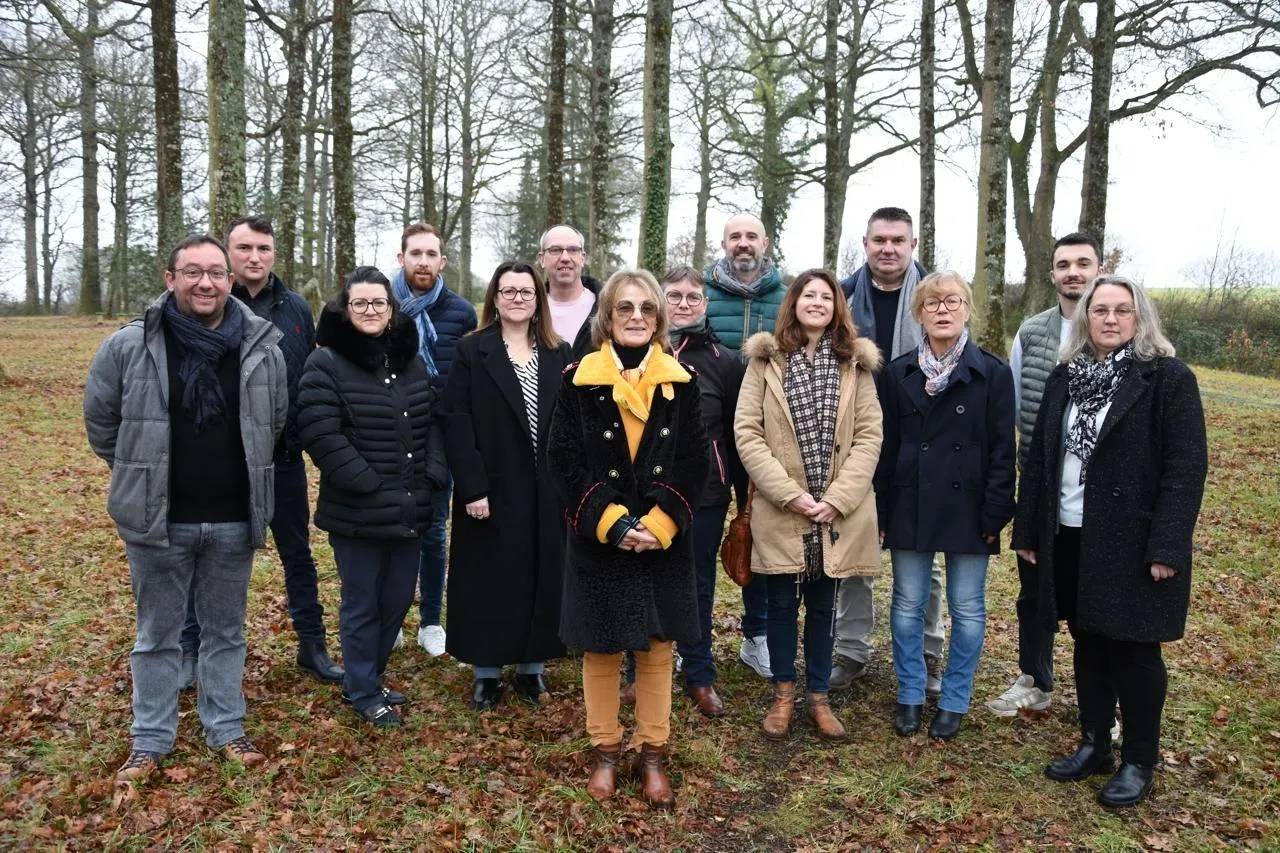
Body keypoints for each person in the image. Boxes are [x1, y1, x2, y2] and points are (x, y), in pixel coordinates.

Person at [84, 234, 287, 782]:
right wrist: (139, 471)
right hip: (157, 521)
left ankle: (227, 728)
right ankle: (150, 739)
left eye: (216, 273)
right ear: (170, 278)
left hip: (234, 518)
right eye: (192, 272)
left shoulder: (261, 347)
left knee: (226, 632)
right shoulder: (129, 345)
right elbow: (102, 422)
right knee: (157, 636)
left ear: (230, 281)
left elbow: (273, 422)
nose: (205, 283)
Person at [1012, 275, 1207, 808]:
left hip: (1133, 540)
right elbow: (1040, 457)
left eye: (1123, 310)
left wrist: (1167, 545)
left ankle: (1139, 759)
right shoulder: (1066, 376)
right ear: (1086, 317)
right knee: (1088, 640)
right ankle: (1095, 742)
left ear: (1140, 318)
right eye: (1101, 310)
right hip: (1070, 532)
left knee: (1135, 651)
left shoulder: (1166, 379)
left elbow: (1186, 469)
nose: (1111, 319)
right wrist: (1028, 529)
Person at [548, 269, 708, 809]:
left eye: (646, 308)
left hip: (662, 539)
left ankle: (652, 752)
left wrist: (660, 524)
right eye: (625, 308)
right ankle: (606, 751)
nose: (636, 317)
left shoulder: (683, 381)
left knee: (658, 648)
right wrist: (612, 523)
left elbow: (694, 461)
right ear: (607, 317)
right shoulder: (578, 380)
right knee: (601, 648)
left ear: (659, 319)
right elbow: (564, 461)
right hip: (600, 538)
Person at [179, 216, 341, 690]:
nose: (255, 257)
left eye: (263, 248)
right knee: (205, 556)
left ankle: (312, 644)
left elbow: (309, 377)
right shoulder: (209, 305)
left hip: (282, 458)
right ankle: (190, 647)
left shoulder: (295, 308)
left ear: (274, 254)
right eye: (245, 248)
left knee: (298, 555)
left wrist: (304, 437)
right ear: (228, 253)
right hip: (222, 462)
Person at [735, 269, 883, 743]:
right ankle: (783, 693)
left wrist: (837, 499)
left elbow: (869, 436)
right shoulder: (766, 361)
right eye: (808, 295)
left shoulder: (854, 364)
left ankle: (818, 697)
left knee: (823, 606)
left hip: (836, 512)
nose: (817, 302)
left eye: (826, 296)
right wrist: (789, 493)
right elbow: (747, 432)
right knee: (780, 604)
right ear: (794, 303)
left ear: (837, 306)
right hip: (784, 507)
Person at [297, 266, 446, 726]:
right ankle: (362, 689)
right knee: (363, 603)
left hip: (409, 504)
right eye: (360, 302)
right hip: (357, 509)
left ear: (391, 308)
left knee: (397, 599)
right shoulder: (326, 362)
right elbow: (319, 432)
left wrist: (433, 474)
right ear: (345, 309)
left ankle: (366, 676)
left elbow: (432, 421)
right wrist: (365, 482)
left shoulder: (409, 360)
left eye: (378, 302)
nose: (370, 310)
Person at [876, 271, 1016, 741]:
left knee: (968, 608)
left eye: (952, 301)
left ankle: (955, 699)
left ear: (967, 309)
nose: (942, 310)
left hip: (970, 506)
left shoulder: (992, 373)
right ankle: (911, 694)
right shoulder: (898, 373)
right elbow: (885, 447)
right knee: (907, 604)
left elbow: (1003, 450)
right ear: (919, 314)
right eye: (932, 303)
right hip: (909, 501)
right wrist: (882, 508)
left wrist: (996, 511)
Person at [440, 262, 572, 711]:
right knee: (491, 578)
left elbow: (571, 421)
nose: (517, 298)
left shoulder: (558, 351)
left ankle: (532, 668)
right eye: (508, 291)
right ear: (494, 298)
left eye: (526, 291)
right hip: (491, 486)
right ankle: (487, 671)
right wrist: (472, 487)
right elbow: (456, 421)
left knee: (541, 573)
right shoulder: (472, 349)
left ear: (538, 300)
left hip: (546, 487)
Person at [987, 231, 1101, 717]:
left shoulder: (1119, 329)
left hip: (1101, 493)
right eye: (1064, 264)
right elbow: (1013, 407)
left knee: (1096, 599)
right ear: (1052, 273)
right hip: (1040, 486)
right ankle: (1035, 678)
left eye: (1083, 263)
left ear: (1098, 269)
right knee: (1034, 590)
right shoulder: (1032, 333)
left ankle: (1102, 701)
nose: (1073, 272)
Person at [833, 206, 946, 694]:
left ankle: (927, 651)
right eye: (879, 240)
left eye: (898, 240)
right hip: (854, 440)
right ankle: (850, 649)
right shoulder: (841, 297)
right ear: (865, 243)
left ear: (912, 245)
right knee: (854, 551)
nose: (888, 248)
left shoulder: (935, 297)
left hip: (919, 440)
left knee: (923, 554)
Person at [658, 264, 748, 717]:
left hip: (706, 492)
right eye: (674, 296)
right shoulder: (640, 350)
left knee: (697, 582)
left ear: (706, 303)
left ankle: (698, 673)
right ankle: (641, 671)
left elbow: (737, 434)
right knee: (647, 578)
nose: (683, 304)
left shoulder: (724, 361)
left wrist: (744, 502)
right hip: (647, 491)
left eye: (692, 297)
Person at [390, 223, 477, 657]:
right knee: (392, 528)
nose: (422, 262)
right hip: (388, 435)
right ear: (401, 258)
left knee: (434, 531)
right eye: (415, 254)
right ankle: (391, 618)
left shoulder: (461, 313)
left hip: (439, 436)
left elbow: (469, 380)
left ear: (442, 261)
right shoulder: (381, 304)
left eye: (431, 255)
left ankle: (430, 620)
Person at [702, 212, 779, 681]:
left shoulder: (786, 296)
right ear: (724, 243)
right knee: (699, 539)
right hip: (709, 438)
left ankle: (758, 636)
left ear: (765, 243)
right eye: (736, 237)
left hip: (764, 439)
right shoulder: (701, 294)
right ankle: (691, 638)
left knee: (760, 538)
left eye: (752, 236)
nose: (743, 244)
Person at [537, 224, 604, 358]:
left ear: (583, 258)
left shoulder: (606, 307)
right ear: (542, 259)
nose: (565, 258)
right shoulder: (530, 310)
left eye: (573, 250)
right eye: (556, 250)